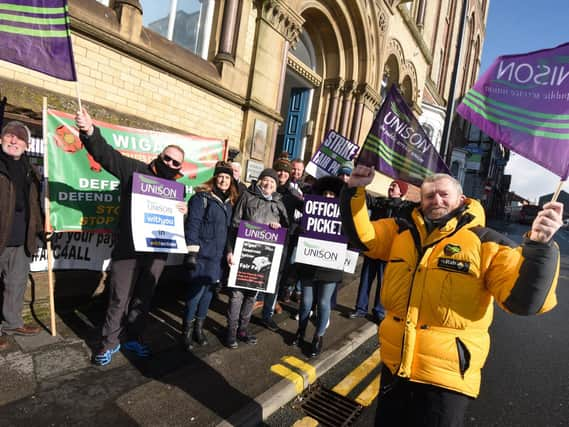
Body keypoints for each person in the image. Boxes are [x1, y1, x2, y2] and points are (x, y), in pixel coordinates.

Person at [340, 166, 563, 426]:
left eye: (444, 194)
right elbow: (363, 238)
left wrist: (539, 246)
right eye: (429, 196)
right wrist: (353, 191)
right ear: (421, 201)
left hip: (445, 379)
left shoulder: (486, 242)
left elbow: (523, 301)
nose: (436, 200)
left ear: (461, 199)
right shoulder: (401, 231)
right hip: (396, 368)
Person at [75, 109, 188, 366]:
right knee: (118, 298)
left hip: (156, 253)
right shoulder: (133, 171)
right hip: (128, 250)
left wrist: (184, 210)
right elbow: (105, 155)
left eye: (176, 163)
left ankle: (134, 337)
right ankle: (109, 343)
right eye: (167, 159)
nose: (170, 164)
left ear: (180, 167)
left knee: (143, 299)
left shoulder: (177, 190)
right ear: (160, 157)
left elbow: (174, 221)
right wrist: (89, 132)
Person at [225, 168, 289, 348]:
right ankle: (231, 331)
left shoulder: (278, 203)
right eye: (266, 180)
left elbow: (286, 227)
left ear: (276, 186)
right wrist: (230, 251)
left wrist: (279, 225)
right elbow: (234, 225)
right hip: (244, 253)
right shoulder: (247, 196)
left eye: (272, 182)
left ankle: (243, 329)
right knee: (236, 296)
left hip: (264, 255)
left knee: (252, 296)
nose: (268, 184)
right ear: (260, 181)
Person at [181, 161, 238, 351]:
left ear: (231, 181)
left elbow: (229, 231)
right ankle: (186, 332)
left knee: (207, 294)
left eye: (227, 178)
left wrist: (229, 252)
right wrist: (192, 252)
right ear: (215, 178)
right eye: (221, 176)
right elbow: (193, 224)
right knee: (195, 294)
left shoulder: (229, 204)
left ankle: (199, 328)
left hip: (217, 258)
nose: (223, 180)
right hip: (201, 255)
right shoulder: (201, 198)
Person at [0, 121, 43, 350]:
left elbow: (34, 204)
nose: (14, 140)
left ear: (27, 145)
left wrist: (41, 228)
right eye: (9, 135)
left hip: (21, 239)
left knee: (16, 284)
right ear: (1, 139)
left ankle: (12, 323)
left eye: (20, 138)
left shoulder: (31, 171)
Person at [348, 179, 416, 323]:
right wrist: (359, 183)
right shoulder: (380, 202)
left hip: (390, 253)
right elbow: (365, 198)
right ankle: (360, 308)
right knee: (366, 280)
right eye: (391, 185)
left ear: (401, 192)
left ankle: (379, 311)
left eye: (395, 186)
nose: (391, 187)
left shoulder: (406, 208)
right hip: (373, 249)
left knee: (384, 283)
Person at [292, 175, 345, 358]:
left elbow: (352, 236)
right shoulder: (310, 210)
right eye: (326, 193)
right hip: (310, 261)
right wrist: (301, 230)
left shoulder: (344, 214)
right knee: (306, 302)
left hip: (330, 264)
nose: (329, 197)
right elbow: (298, 225)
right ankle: (301, 331)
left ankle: (318, 337)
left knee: (323, 303)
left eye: (332, 194)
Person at [259, 153, 303, 331]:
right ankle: (246, 312)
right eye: (279, 171)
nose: (283, 174)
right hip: (261, 239)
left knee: (275, 280)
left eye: (285, 171)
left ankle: (267, 313)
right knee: (257, 274)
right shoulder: (264, 188)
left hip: (282, 241)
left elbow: (310, 210)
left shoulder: (292, 195)